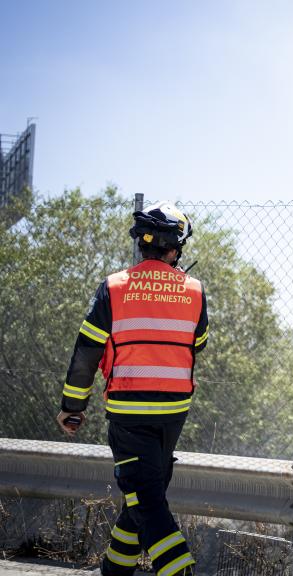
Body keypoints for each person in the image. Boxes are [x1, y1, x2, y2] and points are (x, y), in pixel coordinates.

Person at [56, 201, 208, 576]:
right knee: (142, 498)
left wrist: (72, 406)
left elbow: (87, 353)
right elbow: (198, 342)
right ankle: (115, 570)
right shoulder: (195, 290)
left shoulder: (113, 287)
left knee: (147, 502)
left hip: (129, 414)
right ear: (175, 249)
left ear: (141, 244)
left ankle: (179, 569)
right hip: (173, 415)